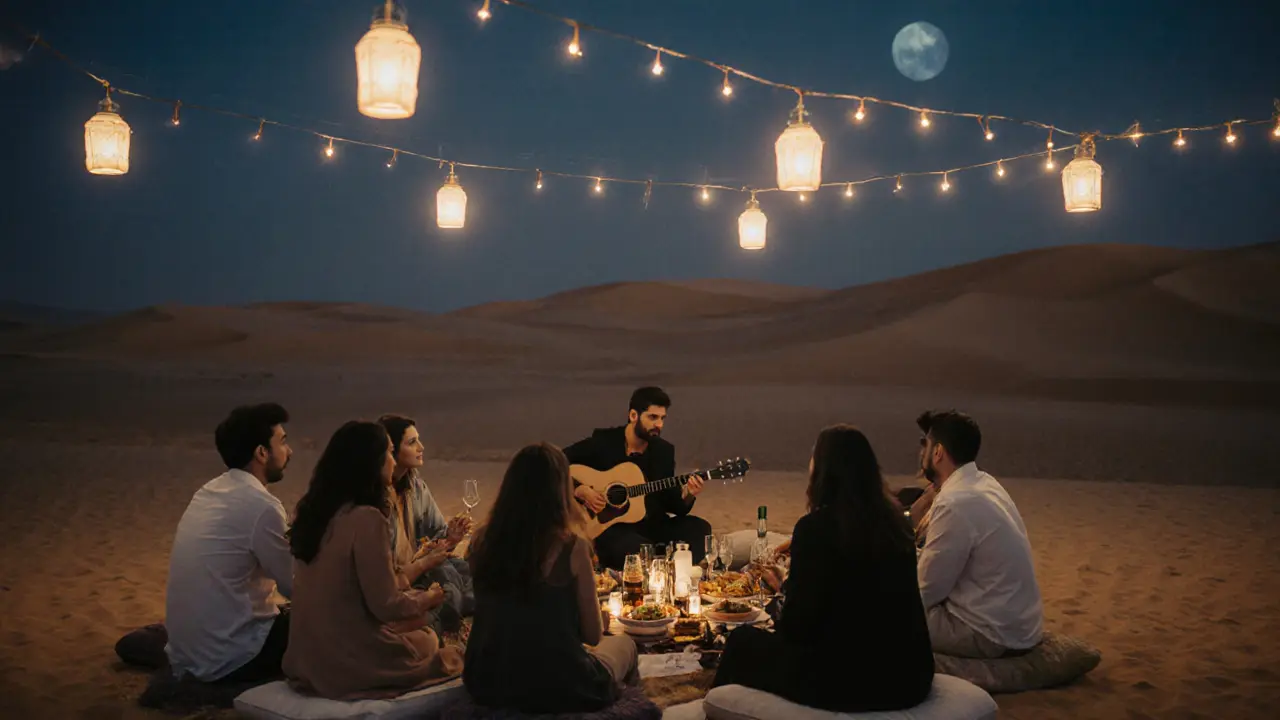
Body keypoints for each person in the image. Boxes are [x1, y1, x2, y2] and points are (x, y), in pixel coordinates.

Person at [711, 425, 935, 712]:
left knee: (742, 642)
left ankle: (716, 710)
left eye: (813, 458)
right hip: (910, 677)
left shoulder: (816, 529)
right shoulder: (895, 526)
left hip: (851, 681)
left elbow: (797, 629)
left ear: (825, 471)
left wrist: (785, 587)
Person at [282, 421, 463, 700]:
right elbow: (386, 605)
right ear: (372, 462)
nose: (392, 461)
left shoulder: (315, 513)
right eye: (389, 453)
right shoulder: (366, 519)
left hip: (305, 656)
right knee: (428, 641)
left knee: (424, 621)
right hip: (345, 661)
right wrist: (427, 599)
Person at [463, 443, 639, 714]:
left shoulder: (480, 542)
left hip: (488, 678)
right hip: (560, 683)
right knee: (624, 644)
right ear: (561, 490)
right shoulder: (572, 547)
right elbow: (592, 635)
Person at [162, 403, 294, 684]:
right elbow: (294, 584)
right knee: (328, 624)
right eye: (282, 442)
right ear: (261, 453)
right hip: (234, 657)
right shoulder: (262, 506)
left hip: (187, 656)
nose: (289, 451)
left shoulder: (207, 492)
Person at [913, 410, 1044, 659]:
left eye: (926, 445)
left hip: (989, 632)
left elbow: (927, 591)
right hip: (1019, 625)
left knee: (880, 611)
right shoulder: (985, 483)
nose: (922, 453)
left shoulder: (955, 502)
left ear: (938, 452)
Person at [563, 386, 710, 570]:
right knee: (632, 549)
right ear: (633, 415)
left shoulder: (663, 451)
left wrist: (689, 493)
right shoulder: (604, 442)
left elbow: (672, 504)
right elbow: (556, 461)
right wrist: (580, 489)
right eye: (653, 417)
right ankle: (656, 561)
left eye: (662, 418)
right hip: (614, 528)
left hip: (653, 524)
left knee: (700, 529)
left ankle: (661, 565)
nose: (659, 425)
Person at [377, 414, 474, 628]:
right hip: (402, 575)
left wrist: (451, 538)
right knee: (449, 583)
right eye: (412, 442)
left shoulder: (416, 487)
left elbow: (435, 537)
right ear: (391, 450)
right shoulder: (376, 498)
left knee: (469, 569)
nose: (421, 447)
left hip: (422, 565)